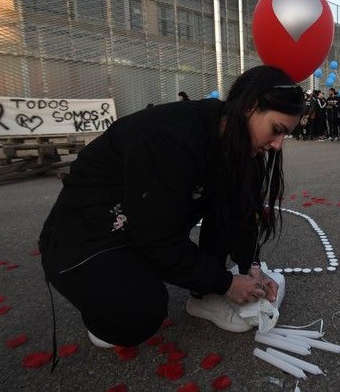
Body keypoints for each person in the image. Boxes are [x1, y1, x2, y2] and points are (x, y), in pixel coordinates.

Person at [38, 65, 304, 351]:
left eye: (284, 135)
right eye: (277, 130)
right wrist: (226, 282)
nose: (278, 145)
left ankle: (203, 295)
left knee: (228, 197)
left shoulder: (236, 141)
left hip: (137, 225)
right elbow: (156, 235)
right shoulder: (172, 137)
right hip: (84, 237)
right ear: (249, 108)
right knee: (138, 311)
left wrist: (249, 265)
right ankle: (108, 312)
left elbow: (239, 211)